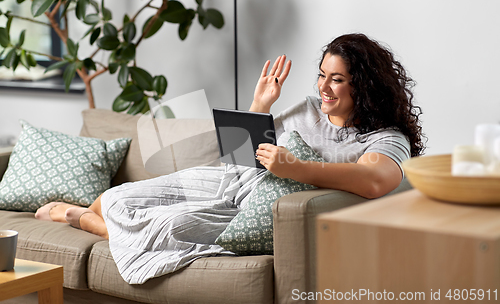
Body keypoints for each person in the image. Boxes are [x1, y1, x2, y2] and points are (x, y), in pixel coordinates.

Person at [35, 34, 424, 282]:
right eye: (322, 75)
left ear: (365, 84)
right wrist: (260, 104)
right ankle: (95, 217)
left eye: (336, 79)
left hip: (256, 202)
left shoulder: (385, 137)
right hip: (232, 179)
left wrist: (294, 168)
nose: (323, 87)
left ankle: (83, 219)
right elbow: (240, 154)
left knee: (170, 226)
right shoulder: (308, 108)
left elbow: (377, 181)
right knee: (119, 198)